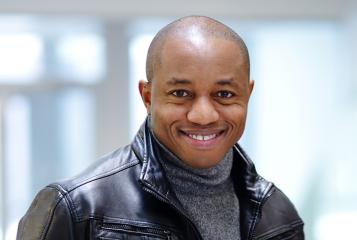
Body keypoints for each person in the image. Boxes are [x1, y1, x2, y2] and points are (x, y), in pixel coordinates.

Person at [17, 16, 304, 240]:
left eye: (225, 94)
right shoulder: (77, 208)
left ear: (247, 95)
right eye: (181, 93)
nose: (203, 115)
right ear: (147, 97)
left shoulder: (278, 215)